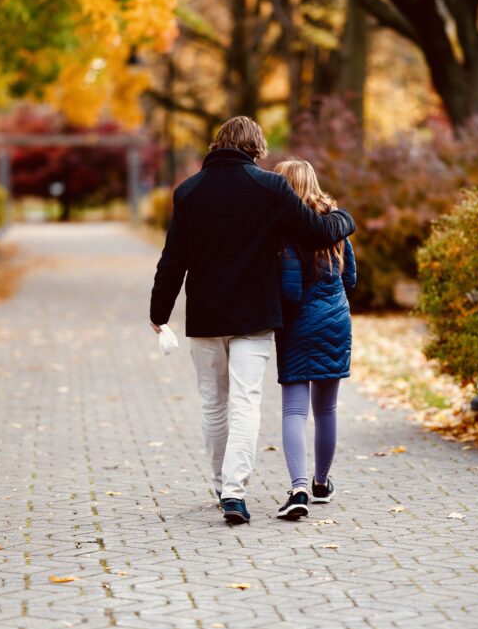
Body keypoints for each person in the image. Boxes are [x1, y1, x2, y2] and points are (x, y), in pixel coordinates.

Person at [149, 116, 355, 525]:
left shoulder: (188, 192)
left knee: (213, 404)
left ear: (217, 144)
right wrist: (346, 220)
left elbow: (174, 259)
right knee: (246, 403)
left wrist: (159, 312)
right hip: (255, 315)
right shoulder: (270, 187)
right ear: (257, 148)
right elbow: (316, 231)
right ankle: (234, 493)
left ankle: (218, 481)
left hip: (206, 316)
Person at [272, 159, 356, 521]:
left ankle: (299, 487)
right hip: (336, 321)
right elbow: (349, 277)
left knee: (294, 409)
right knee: (326, 410)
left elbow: (289, 291)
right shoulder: (334, 223)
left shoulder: (284, 230)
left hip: (299, 325)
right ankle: (322, 483)